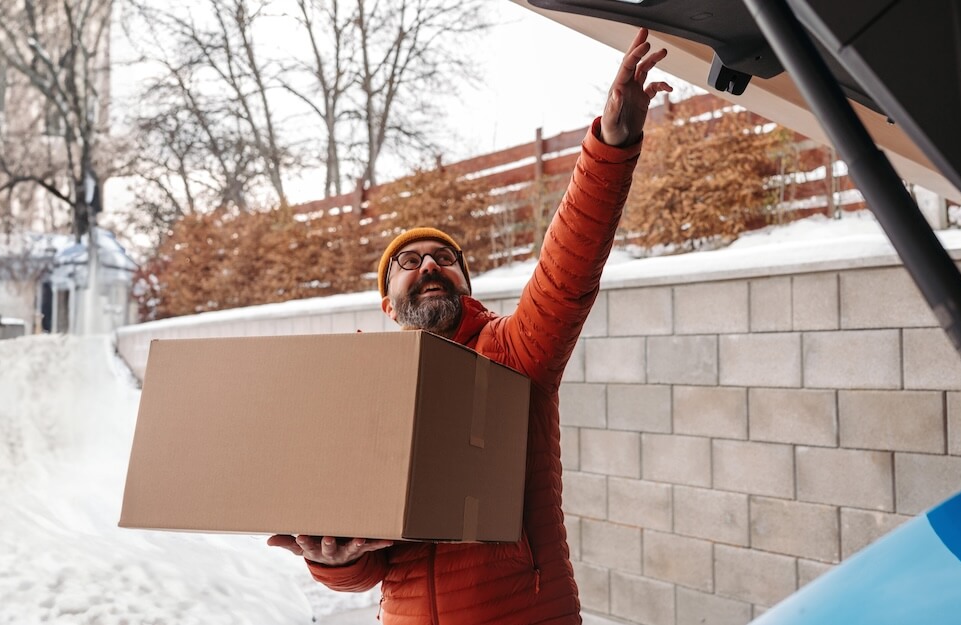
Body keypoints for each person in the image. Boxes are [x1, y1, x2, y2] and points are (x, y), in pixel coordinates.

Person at [268, 27, 671, 625]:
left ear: (465, 285)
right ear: (387, 304)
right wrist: (335, 558)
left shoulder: (513, 353)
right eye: (408, 262)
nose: (429, 264)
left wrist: (610, 145)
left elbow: (566, 271)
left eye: (444, 259)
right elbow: (372, 567)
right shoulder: (368, 395)